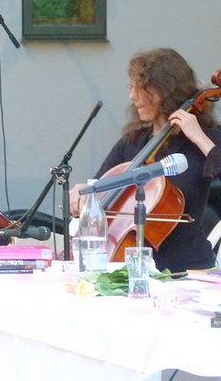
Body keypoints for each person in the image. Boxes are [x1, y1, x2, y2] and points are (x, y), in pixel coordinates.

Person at [71, 48, 221, 273]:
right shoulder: (133, 142)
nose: (132, 96)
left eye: (139, 88)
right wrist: (86, 191)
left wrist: (198, 135)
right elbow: (100, 185)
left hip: (189, 271)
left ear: (163, 90)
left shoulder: (205, 139)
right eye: (131, 88)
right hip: (130, 270)